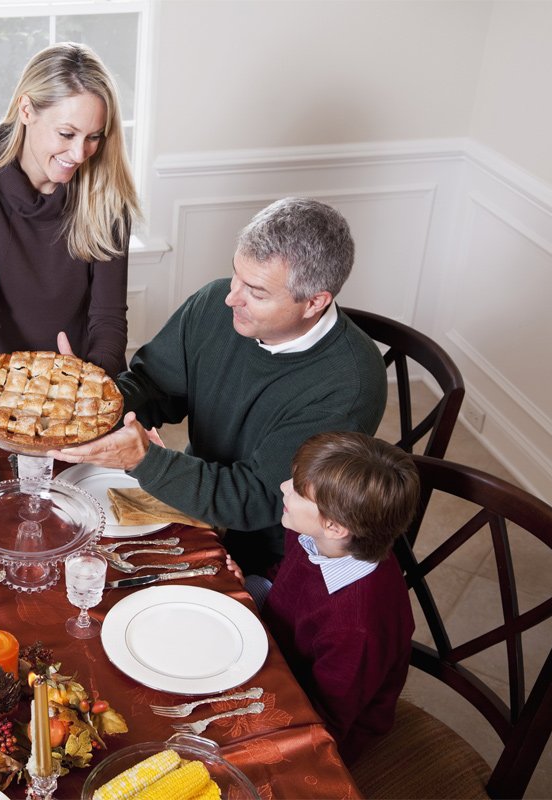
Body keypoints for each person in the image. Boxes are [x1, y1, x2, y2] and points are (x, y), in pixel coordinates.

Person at [51, 197, 387, 574]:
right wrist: (92, 398)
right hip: (197, 495)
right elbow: (152, 387)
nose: (231, 298)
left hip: (277, 556)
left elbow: (259, 501)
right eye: (236, 275)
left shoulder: (349, 386)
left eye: (256, 293)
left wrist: (144, 460)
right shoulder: (215, 304)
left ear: (314, 303)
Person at [226, 431, 420, 764]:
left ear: (334, 526)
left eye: (298, 490)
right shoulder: (318, 537)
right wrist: (248, 587)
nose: (285, 486)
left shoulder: (356, 628)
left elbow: (326, 723)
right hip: (279, 654)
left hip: (318, 721)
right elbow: (289, 580)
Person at [0, 42, 141, 380]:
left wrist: (85, 383)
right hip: (6, 379)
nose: (80, 153)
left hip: (88, 375)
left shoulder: (107, 195)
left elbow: (109, 320)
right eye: (67, 133)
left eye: (94, 137)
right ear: (27, 110)